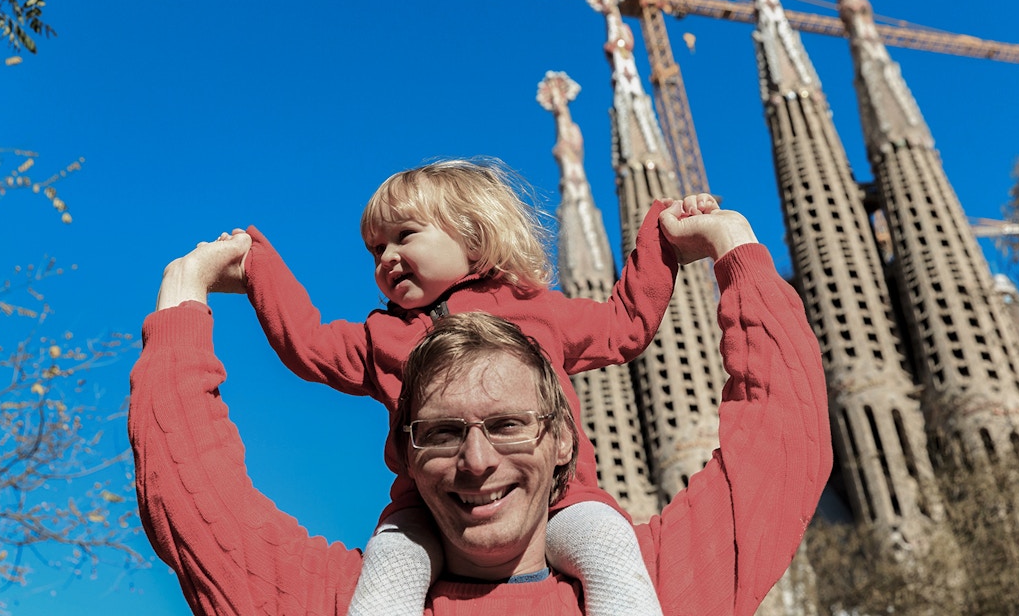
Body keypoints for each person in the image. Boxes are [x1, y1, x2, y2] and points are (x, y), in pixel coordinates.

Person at [128, 198, 832, 615]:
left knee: (609, 547)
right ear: (402, 451)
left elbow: (781, 434)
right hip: (406, 549)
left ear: (563, 439)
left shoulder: (662, 588)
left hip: (587, 518)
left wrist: (723, 249)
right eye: (438, 431)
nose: (476, 460)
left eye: (507, 424)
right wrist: (190, 290)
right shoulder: (342, 600)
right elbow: (191, 494)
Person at [233, 159, 686, 616]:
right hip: (428, 515)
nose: (386, 257)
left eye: (404, 235)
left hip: (562, 499)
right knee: (389, 567)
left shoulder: (533, 308)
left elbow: (622, 324)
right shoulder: (381, 337)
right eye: (375, 250)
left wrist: (662, 236)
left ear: (472, 236)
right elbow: (307, 344)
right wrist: (258, 266)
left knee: (611, 547)